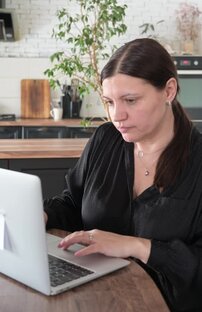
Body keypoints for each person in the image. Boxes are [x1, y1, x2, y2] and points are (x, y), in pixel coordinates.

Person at [44, 38, 202, 312]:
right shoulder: (105, 139)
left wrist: (137, 246)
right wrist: (42, 215)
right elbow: (73, 204)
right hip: (95, 298)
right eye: (109, 102)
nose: (117, 115)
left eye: (130, 100)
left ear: (169, 91)